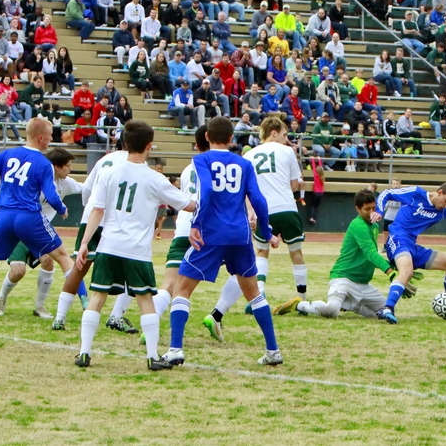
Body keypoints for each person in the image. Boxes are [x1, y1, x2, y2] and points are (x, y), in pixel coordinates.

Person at [158, 117, 281, 368]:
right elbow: (258, 200)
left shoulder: (201, 159)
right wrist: (266, 232)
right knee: (254, 293)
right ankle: (273, 350)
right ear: (232, 138)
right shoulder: (244, 163)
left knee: (182, 289)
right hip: (240, 235)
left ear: (206, 137)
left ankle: (175, 349)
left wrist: (196, 223)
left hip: (212, 234)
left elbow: (207, 191)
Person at [73, 121, 193, 370]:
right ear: (149, 146)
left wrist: (85, 243)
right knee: (145, 299)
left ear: (125, 144)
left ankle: (84, 353)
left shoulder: (108, 172)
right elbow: (188, 205)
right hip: (137, 250)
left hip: (108, 245)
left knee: (98, 296)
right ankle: (151, 356)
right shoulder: (155, 178)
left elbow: (96, 210)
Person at [0, 118, 74, 321]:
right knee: (62, 257)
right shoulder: (44, 164)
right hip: (29, 218)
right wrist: (62, 208)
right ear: (41, 137)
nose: (52, 139)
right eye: (51, 135)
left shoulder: (8, 154)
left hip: (4, 216)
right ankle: (85, 300)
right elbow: (52, 196)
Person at [203, 116, 307, 341]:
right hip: (285, 206)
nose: (286, 139)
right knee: (296, 253)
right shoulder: (287, 152)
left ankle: (257, 296)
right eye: (284, 134)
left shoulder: (248, 155)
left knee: (260, 254)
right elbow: (295, 183)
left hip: (257, 212)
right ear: (274, 132)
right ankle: (302, 297)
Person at [371, 174, 446, 323]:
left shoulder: (442, 210)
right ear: (439, 192)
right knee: (407, 270)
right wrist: (379, 211)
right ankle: (388, 308)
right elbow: (387, 193)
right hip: (398, 238)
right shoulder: (416, 194)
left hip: (412, 245)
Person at [0, 149, 84, 319]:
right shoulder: (34, 178)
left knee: (48, 261)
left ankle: (39, 306)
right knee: (18, 271)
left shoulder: (65, 183)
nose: (70, 170)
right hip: (19, 228)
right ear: (56, 167)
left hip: (38, 231)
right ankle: (1, 297)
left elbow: (87, 188)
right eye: (67, 166)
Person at [274, 189, 395, 317]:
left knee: (386, 311)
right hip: (343, 278)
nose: (371, 213)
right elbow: (371, 253)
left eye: (374, 208)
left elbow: (371, 257)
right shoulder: (358, 225)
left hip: (363, 284)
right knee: (331, 311)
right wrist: (390, 272)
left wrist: (397, 268)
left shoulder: (374, 226)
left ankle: (351, 305)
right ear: (357, 209)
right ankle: (299, 304)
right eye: (367, 209)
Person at [50, 149, 127, 330]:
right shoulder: (137, 163)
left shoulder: (105, 159)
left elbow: (87, 189)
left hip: (91, 215)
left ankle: (59, 317)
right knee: (130, 268)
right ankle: (116, 316)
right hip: (115, 219)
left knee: (79, 268)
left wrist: (88, 211)